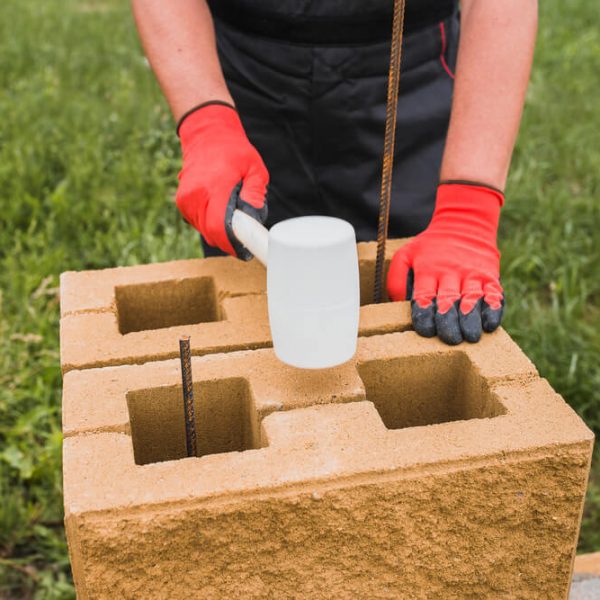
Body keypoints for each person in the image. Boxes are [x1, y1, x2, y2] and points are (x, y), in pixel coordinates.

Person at [132, 0, 537, 345]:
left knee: (425, 313)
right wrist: (206, 123)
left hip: (410, 68)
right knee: (252, 306)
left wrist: (467, 210)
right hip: (243, 70)